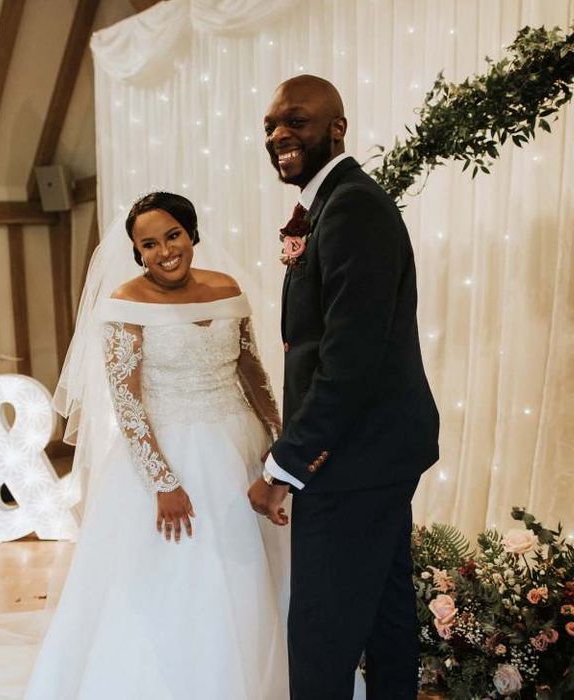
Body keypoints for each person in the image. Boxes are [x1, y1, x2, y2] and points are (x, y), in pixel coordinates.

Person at [0, 193, 297, 699]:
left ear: (191, 233)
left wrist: (277, 443)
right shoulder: (127, 302)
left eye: (172, 235)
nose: (164, 251)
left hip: (240, 446)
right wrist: (162, 482)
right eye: (147, 245)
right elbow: (126, 403)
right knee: (182, 576)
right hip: (167, 453)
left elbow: (251, 370)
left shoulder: (226, 289)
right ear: (136, 253)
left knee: (248, 571)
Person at [248, 75, 440, 699]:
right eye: (272, 125)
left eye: (296, 121)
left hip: (354, 455)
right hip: (377, 449)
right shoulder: (332, 203)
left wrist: (289, 463)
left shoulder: (351, 205)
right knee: (384, 616)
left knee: (322, 630)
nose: (279, 134)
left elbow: (350, 358)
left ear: (337, 127)